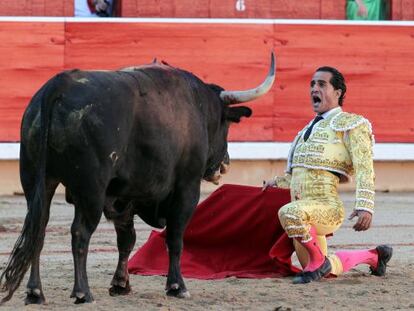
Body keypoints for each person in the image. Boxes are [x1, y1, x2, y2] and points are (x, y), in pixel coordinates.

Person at [263, 66, 392, 284]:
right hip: (304, 213)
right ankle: (375, 256)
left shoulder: (351, 124)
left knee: (289, 213)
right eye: (312, 84)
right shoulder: (304, 131)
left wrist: (365, 206)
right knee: (327, 271)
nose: (314, 88)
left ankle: (318, 261)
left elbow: (364, 166)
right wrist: (276, 183)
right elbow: (297, 175)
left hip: (326, 209)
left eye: (322, 84)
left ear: (338, 92)